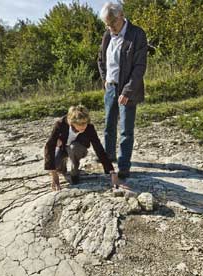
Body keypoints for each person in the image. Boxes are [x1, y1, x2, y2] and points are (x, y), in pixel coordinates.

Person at [97, 2, 148, 179]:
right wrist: (105, 79)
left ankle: (124, 165)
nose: (110, 28)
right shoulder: (107, 35)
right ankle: (108, 157)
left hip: (128, 88)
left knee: (126, 129)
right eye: (107, 24)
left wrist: (127, 91)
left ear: (122, 16)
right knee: (108, 126)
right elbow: (101, 60)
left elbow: (140, 67)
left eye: (113, 23)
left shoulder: (137, 34)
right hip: (110, 87)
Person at [44, 105, 118, 191]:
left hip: (78, 148)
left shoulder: (89, 127)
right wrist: (54, 174)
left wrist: (111, 171)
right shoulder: (60, 124)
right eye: (79, 124)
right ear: (71, 122)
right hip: (63, 148)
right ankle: (62, 167)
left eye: (85, 123)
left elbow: (99, 148)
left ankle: (74, 172)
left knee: (74, 147)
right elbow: (49, 146)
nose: (83, 126)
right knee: (55, 165)